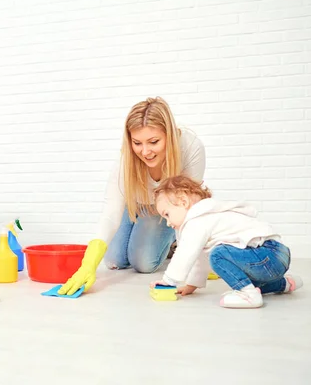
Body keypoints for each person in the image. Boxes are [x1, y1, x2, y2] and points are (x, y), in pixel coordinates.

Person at [58, 97, 206, 296]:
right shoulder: (125, 161)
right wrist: (87, 265)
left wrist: (194, 257)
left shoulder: (190, 147)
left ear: (169, 135)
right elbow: (110, 214)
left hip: (165, 211)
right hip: (134, 204)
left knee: (143, 263)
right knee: (114, 261)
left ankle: (170, 243)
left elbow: (189, 206)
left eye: (153, 142)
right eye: (137, 143)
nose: (145, 152)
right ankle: (140, 228)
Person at [150, 175, 303, 308]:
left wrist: (168, 281)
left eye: (167, 214)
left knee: (218, 255)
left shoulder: (197, 220)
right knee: (240, 275)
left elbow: (186, 253)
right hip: (276, 256)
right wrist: (191, 286)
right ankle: (285, 284)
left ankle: (249, 296)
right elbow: (200, 258)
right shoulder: (209, 215)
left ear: (183, 202)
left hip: (266, 254)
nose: (168, 223)